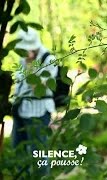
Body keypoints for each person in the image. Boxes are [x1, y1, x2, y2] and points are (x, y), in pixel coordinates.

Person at [12, 27, 58, 176]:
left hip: (39, 111)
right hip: (20, 110)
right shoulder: (22, 58)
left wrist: (30, 64)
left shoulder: (49, 60)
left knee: (38, 153)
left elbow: (37, 86)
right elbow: (19, 82)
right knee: (17, 150)